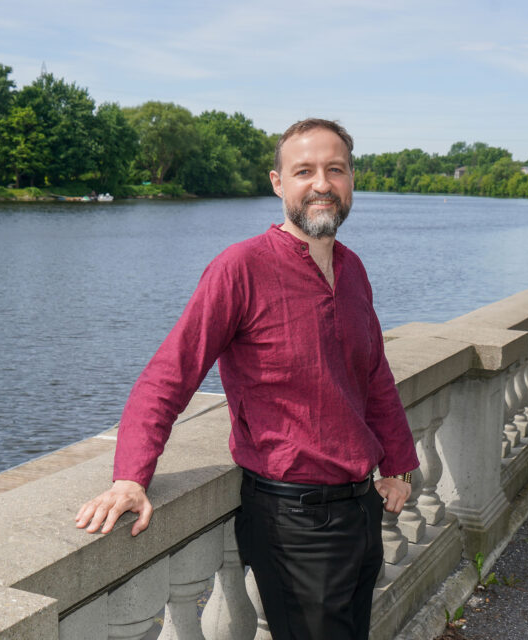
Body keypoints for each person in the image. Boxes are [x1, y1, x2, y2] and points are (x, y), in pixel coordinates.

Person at [75, 118, 419, 640]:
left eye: (335, 170)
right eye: (304, 171)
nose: (321, 184)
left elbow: (373, 377)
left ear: (351, 181)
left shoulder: (352, 270)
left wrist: (395, 463)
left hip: (361, 509)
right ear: (278, 183)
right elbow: (168, 377)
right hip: (292, 520)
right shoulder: (240, 268)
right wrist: (131, 475)